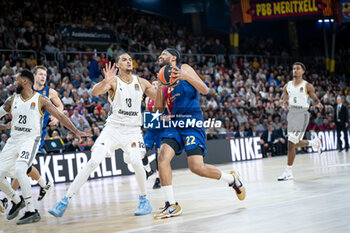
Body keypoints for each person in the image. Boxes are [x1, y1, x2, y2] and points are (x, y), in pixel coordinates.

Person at [49, 54, 158, 218]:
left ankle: (144, 199)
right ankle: (64, 200)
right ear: (118, 65)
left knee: (136, 161)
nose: (128, 61)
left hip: (133, 131)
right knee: (93, 161)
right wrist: (105, 81)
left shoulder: (142, 83)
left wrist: (166, 88)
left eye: (130, 59)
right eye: (124, 59)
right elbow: (94, 92)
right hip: (112, 129)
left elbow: (160, 99)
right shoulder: (113, 81)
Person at [153, 48, 245, 220]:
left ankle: (232, 180)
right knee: (163, 157)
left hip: (192, 122)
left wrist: (185, 77)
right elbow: (158, 111)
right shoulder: (162, 79)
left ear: (173, 58)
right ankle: (171, 204)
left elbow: (204, 90)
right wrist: (158, 90)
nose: (160, 56)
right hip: (175, 124)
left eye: (164, 54)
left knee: (196, 167)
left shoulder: (185, 68)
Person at [0, 69, 86, 224]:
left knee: (20, 168)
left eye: (17, 80)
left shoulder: (41, 99)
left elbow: (60, 116)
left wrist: (75, 131)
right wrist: (3, 126)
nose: (14, 83)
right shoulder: (12, 100)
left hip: (30, 140)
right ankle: (16, 200)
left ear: (25, 81)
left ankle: (31, 210)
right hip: (13, 140)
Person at [278, 62, 322, 181]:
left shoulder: (307, 85)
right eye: (293, 69)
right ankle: (314, 143)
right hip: (292, 114)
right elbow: (284, 95)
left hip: (302, 114)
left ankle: (288, 171)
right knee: (294, 143)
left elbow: (314, 98)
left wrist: (318, 103)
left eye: (297, 69)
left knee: (291, 143)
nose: (295, 71)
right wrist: (284, 100)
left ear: (303, 71)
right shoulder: (288, 85)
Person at [143, 79, 164, 189]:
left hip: (161, 131)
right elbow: (147, 113)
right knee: (141, 150)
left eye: (157, 84)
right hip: (151, 130)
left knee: (159, 157)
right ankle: (148, 170)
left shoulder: (164, 98)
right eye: (153, 84)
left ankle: (158, 179)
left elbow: (167, 115)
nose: (155, 86)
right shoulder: (147, 99)